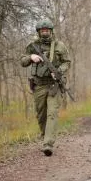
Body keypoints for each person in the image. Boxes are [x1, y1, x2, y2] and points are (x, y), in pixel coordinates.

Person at [20, 19, 70, 156]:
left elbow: (67, 62)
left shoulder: (60, 45)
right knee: (41, 115)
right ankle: (45, 137)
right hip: (39, 85)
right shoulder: (32, 46)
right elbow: (22, 61)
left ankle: (48, 144)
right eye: (42, 31)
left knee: (52, 114)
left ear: (51, 31)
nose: (45, 33)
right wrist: (31, 57)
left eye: (47, 30)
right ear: (39, 32)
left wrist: (59, 71)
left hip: (54, 85)